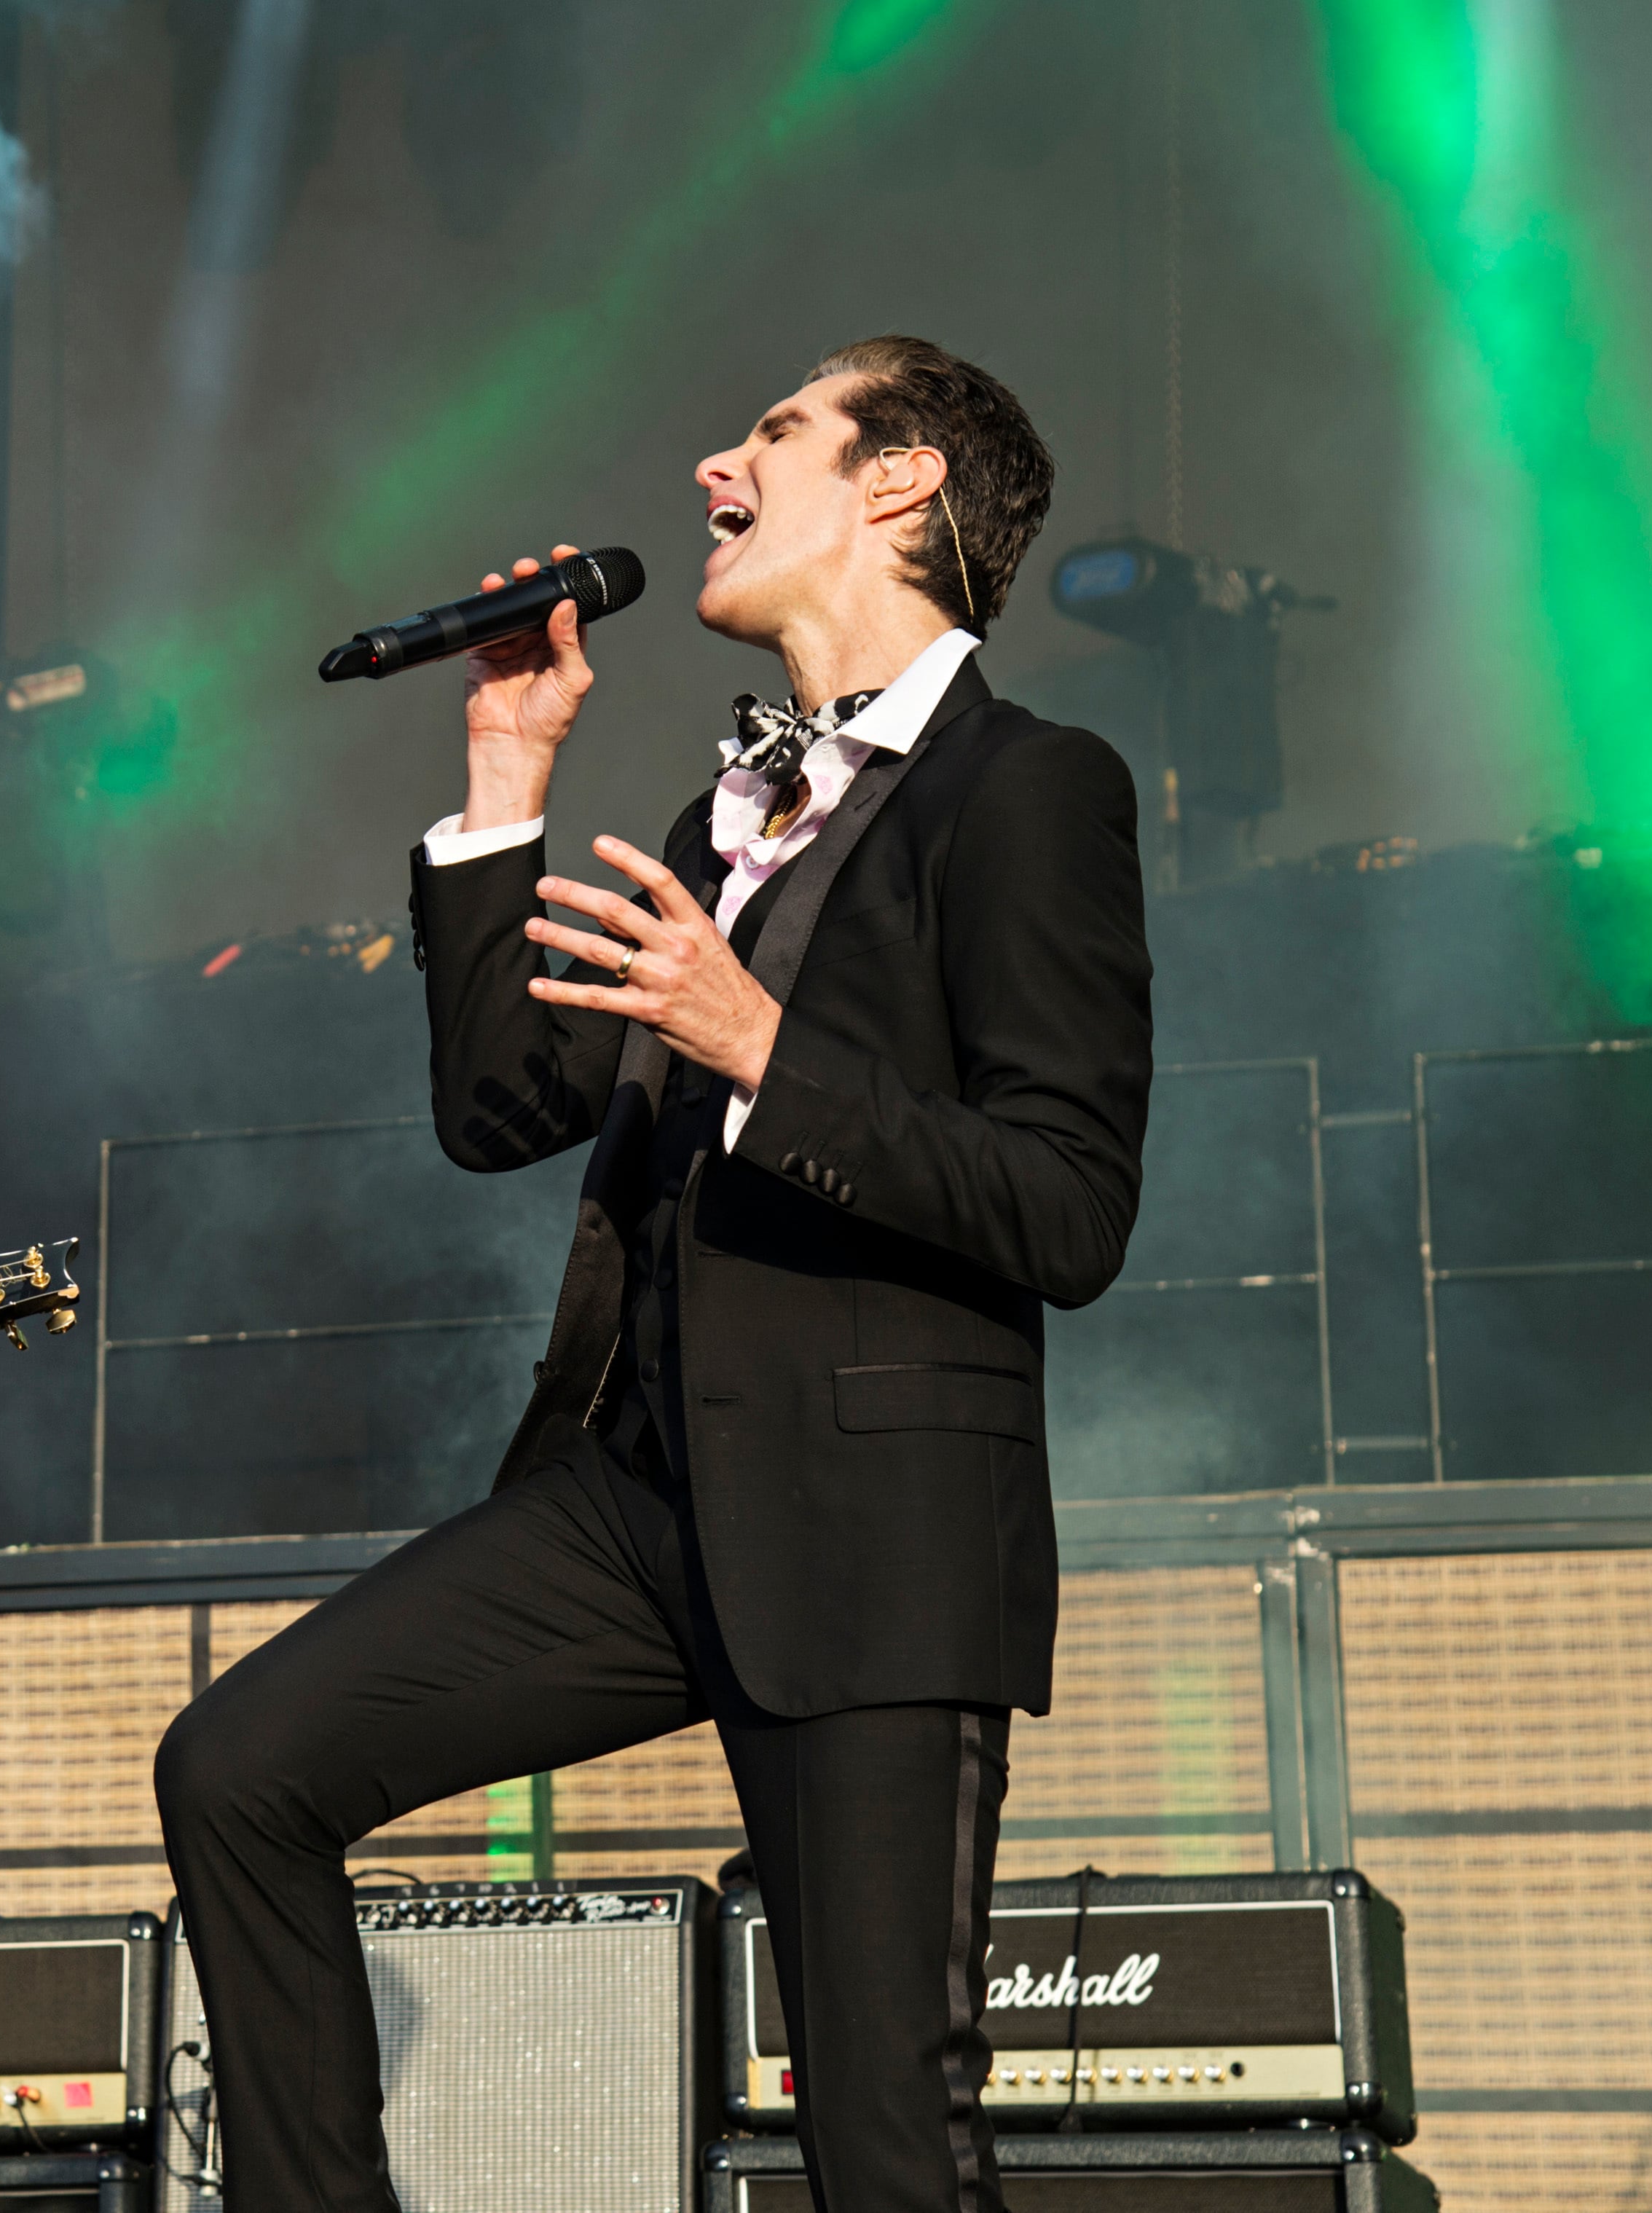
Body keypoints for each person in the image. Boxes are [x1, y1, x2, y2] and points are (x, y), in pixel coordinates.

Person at [155, 337, 1152, 2213]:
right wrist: (505, 763)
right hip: (632, 1502)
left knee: (883, 2135)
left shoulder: (1026, 791)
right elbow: (499, 1108)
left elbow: (1068, 1204)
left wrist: (761, 1043)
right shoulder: (726, 813)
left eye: (774, 430)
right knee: (239, 1770)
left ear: (898, 483)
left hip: (871, 1530)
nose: (713, 460)